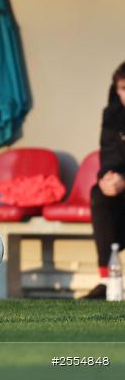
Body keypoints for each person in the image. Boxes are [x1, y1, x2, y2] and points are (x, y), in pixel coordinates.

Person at [84, 61, 125, 299]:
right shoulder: (112, 115)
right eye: (122, 88)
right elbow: (108, 155)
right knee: (98, 194)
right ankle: (108, 279)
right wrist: (107, 178)